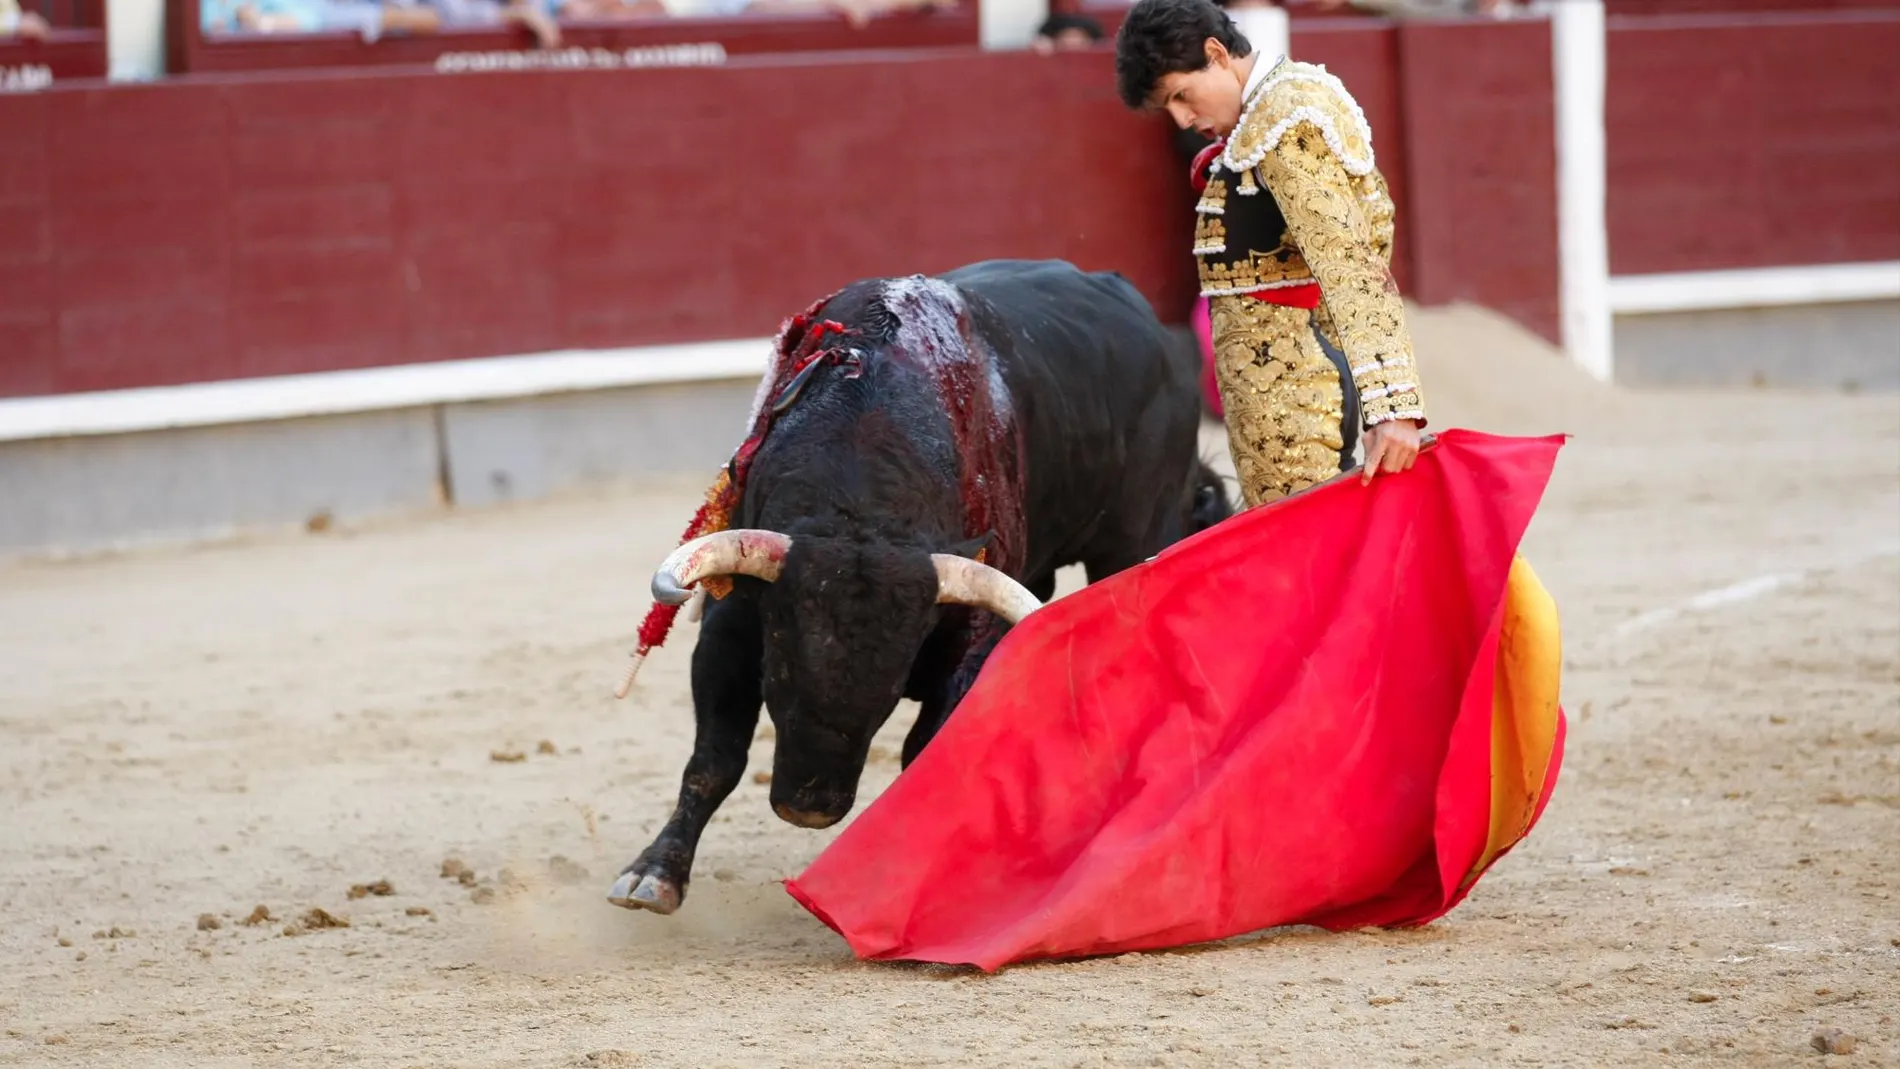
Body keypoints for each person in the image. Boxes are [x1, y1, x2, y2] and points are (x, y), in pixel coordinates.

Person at [1116, 0, 1425, 506]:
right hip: (1296, 399)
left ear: (1216, 54)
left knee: (1309, 562)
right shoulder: (1268, 114)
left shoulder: (1284, 122)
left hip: (1301, 401)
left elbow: (1350, 265)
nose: (1182, 118)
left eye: (1182, 96)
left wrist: (1393, 410)